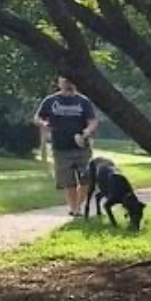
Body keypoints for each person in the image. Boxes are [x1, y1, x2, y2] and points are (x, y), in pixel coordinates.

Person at [33, 74, 100, 216]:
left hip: (82, 147)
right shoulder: (50, 100)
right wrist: (44, 124)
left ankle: (77, 206)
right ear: (59, 82)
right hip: (61, 147)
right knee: (68, 181)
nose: (68, 84)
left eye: (71, 81)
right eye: (65, 81)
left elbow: (93, 120)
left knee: (86, 179)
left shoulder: (83, 101)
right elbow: (37, 117)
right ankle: (75, 210)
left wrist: (86, 132)